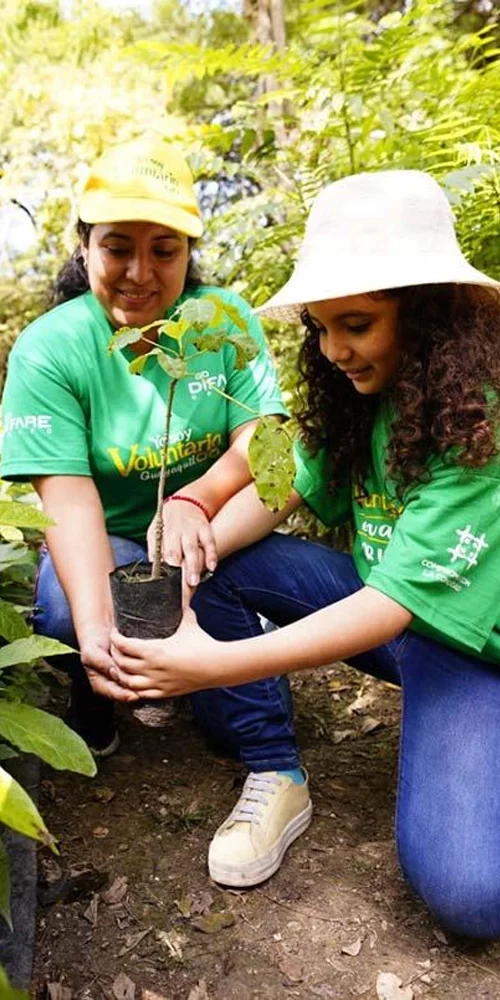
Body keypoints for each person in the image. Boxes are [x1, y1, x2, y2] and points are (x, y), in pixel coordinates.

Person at [105, 169, 500, 936]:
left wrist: (208, 665)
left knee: (469, 894)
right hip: (403, 621)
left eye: (355, 324)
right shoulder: (364, 397)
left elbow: (392, 606)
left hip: (471, 648)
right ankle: (272, 766)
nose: (334, 348)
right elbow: (277, 485)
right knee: (218, 560)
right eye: (320, 327)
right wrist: (193, 538)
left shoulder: (481, 420)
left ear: (428, 315)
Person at [0, 136, 313, 881]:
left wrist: (194, 498)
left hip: (211, 530)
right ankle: (97, 708)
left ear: (188, 252)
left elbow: (267, 444)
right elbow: (68, 501)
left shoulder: (219, 320)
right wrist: (94, 625)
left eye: (163, 250)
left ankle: (248, 721)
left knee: (218, 723)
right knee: (66, 610)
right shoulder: (54, 348)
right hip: (110, 536)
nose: (140, 273)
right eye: (118, 247)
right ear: (84, 247)